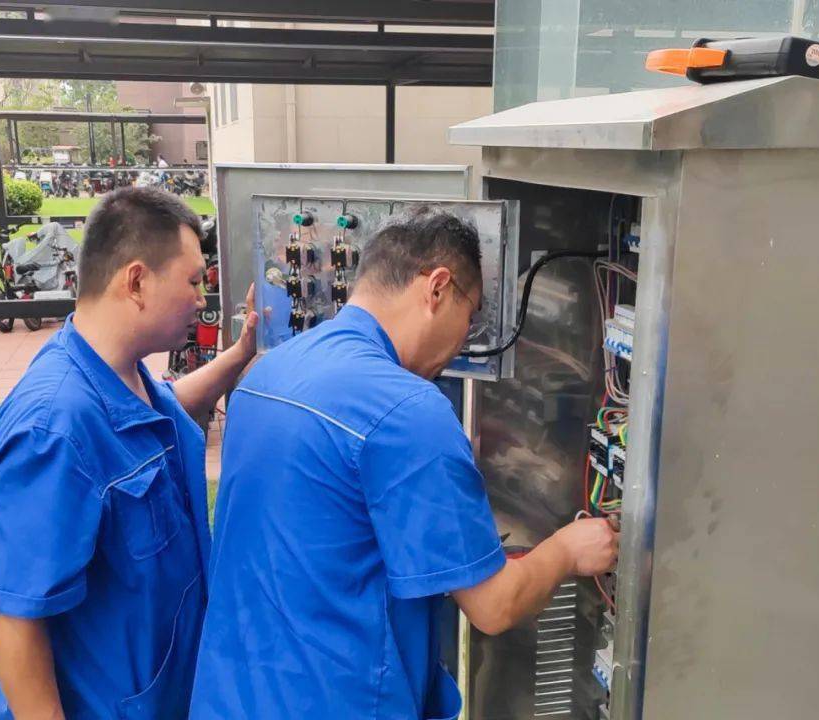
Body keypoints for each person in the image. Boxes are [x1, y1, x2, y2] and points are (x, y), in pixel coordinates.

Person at [190, 207, 619, 719]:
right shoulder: (408, 410)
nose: (466, 338)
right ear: (437, 288)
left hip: (232, 696)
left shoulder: (268, 374)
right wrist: (569, 550)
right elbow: (494, 607)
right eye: (473, 314)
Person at [0, 186, 258, 719]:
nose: (203, 298)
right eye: (194, 281)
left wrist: (238, 358)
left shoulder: (122, 373)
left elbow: (165, 414)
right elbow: (12, 614)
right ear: (136, 281)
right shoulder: (53, 426)